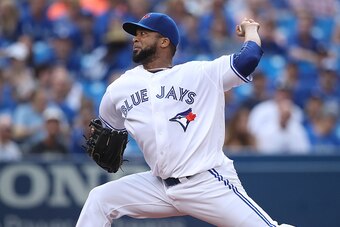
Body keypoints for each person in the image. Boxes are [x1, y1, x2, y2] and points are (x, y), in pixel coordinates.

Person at [76, 12, 294, 227]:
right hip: (158, 187)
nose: (136, 38)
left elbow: (249, 59)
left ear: (164, 41)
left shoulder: (199, 74)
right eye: (136, 34)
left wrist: (251, 31)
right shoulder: (119, 89)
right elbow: (108, 129)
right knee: (100, 199)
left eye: (144, 34)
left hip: (206, 182)